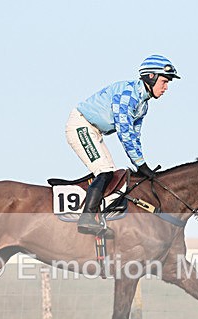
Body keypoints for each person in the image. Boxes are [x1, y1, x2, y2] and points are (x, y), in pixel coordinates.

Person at [66, 54, 180, 234]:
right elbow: (125, 134)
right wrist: (141, 166)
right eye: (164, 81)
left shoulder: (143, 105)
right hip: (81, 125)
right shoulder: (127, 96)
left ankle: (98, 216)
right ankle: (86, 219)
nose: (166, 87)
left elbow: (135, 137)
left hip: (94, 131)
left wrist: (142, 163)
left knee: (109, 173)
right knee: (104, 172)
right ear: (151, 77)